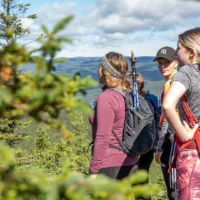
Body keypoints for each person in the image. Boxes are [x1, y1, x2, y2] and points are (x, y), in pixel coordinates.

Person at [162, 28, 200, 199]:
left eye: (179, 48)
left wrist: (184, 135)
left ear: (191, 52)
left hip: (193, 150)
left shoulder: (187, 72)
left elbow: (168, 105)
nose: (176, 53)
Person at [89, 52, 139, 179]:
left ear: (106, 72)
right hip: (129, 162)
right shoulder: (127, 94)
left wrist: (94, 170)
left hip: (110, 164)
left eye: (100, 66)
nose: (98, 70)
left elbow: (102, 136)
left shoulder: (107, 98)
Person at [153, 46, 179, 200]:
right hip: (178, 141)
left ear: (176, 62)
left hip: (173, 142)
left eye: (166, 63)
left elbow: (169, 119)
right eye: (160, 63)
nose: (162, 66)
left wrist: (160, 147)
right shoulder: (176, 81)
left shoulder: (172, 84)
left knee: (174, 189)